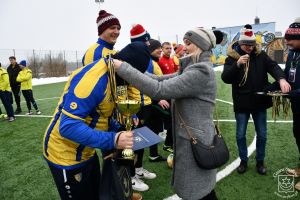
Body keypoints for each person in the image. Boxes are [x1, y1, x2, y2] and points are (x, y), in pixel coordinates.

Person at [113, 28, 224, 200]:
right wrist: (134, 67)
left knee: (199, 192)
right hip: (192, 138)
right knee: (200, 191)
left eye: (188, 44)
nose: (183, 48)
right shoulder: (192, 68)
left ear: (200, 46)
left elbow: (159, 89)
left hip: (196, 140)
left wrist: (123, 68)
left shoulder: (200, 71)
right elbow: (159, 80)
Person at [42, 42, 150, 200]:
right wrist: (113, 139)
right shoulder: (92, 80)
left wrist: (118, 130)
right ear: (125, 68)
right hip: (65, 155)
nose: (131, 83)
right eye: (132, 77)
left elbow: (101, 114)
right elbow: (68, 127)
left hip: (87, 150)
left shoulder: (115, 75)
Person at [221, 24, 291, 175]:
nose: (250, 48)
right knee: (240, 135)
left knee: (262, 134)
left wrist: (281, 79)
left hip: (259, 103)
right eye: (246, 44)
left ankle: (260, 162)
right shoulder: (231, 58)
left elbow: (274, 67)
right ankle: (243, 161)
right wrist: (237, 65)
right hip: (241, 103)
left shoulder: (261, 55)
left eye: (252, 44)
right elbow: (225, 78)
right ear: (240, 43)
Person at [128, 25, 161, 193]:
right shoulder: (127, 58)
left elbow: (156, 80)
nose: (147, 44)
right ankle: (130, 176)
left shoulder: (148, 61)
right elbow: (121, 87)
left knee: (142, 140)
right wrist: (129, 110)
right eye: (145, 41)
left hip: (146, 105)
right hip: (133, 108)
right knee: (130, 144)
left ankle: (139, 169)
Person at [283, 17, 300, 190]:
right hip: (297, 105)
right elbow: (287, 75)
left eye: (291, 39)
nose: (287, 42)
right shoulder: (293, 54)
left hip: (297, 98)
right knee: (298, 135)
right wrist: (273, 86)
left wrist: (293, 93)